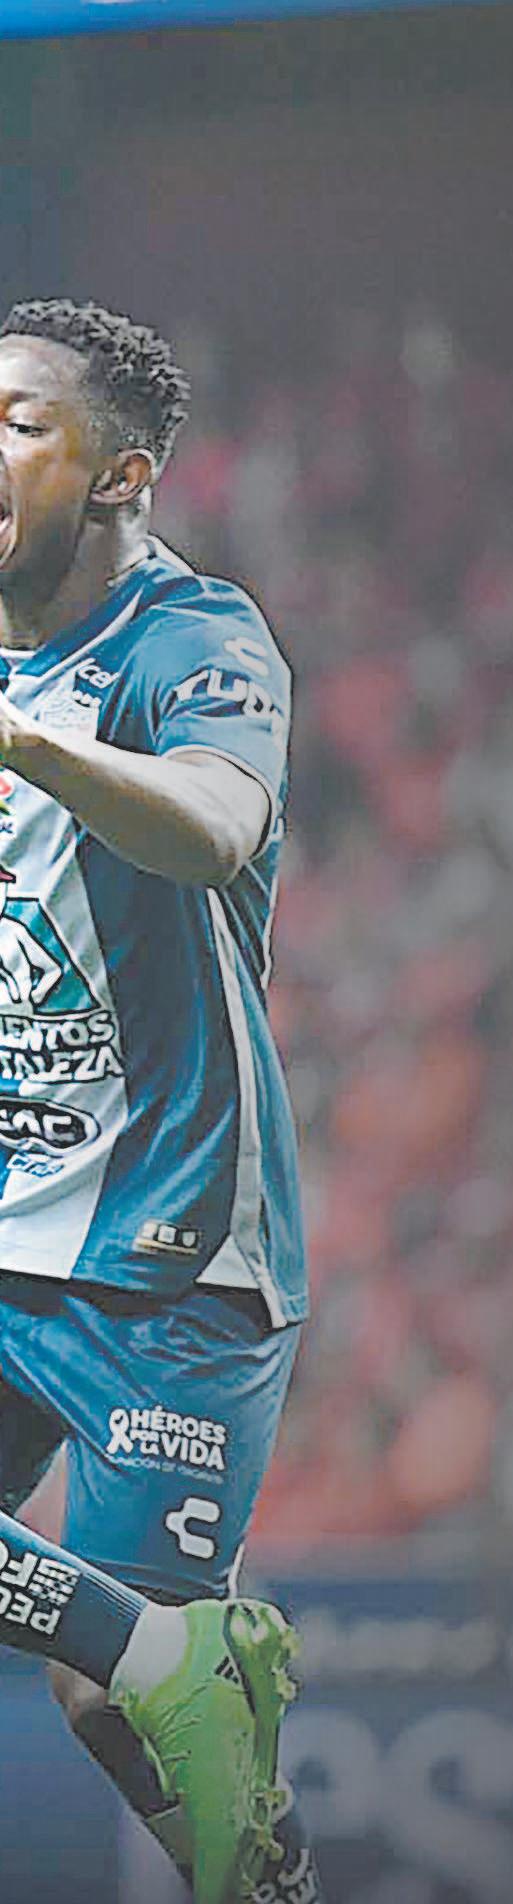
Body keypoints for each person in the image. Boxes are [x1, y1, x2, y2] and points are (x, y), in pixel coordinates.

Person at [0, 300, 321, 1904]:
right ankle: (155, 1653)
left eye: (18, 422)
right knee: (136, 1666)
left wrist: (28, 746)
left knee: (102, 1710)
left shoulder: (193, 639)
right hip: (12, 1221)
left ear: (119, 474)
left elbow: (209, 826)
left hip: (171, 1252)